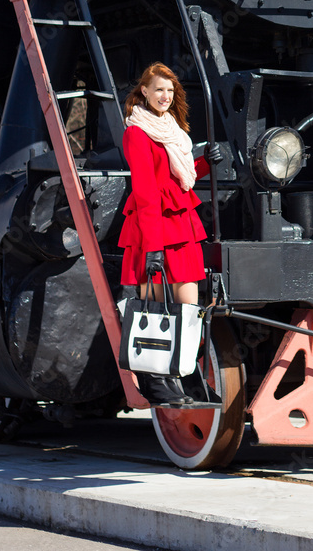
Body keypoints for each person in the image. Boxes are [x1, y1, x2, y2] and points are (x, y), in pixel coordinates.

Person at [118, 61, 211, 406]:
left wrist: (204, 164)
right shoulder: (137, 133)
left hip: (180, 225)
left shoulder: (171, 127)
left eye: (170, 91)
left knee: (189, 306)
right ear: (144, 91)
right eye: (159, 89)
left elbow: (178, 178)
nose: (165, 96)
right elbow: (145, 192)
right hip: (153, 228)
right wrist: (152, 248)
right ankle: (155, 382)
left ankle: (185, 375)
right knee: (152, 310)